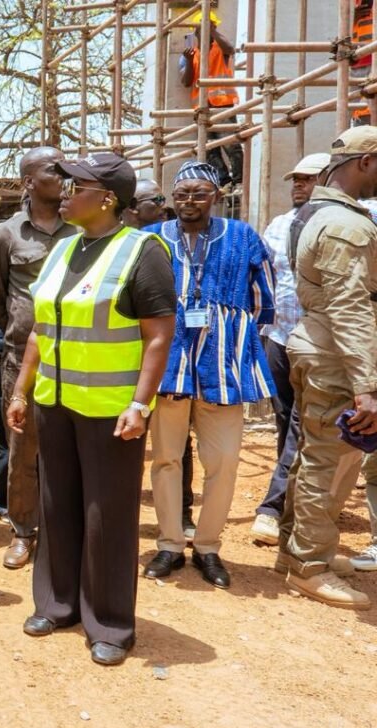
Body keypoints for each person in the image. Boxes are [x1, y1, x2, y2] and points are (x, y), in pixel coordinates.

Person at [9, 153, 175, 667]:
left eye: (75, 186)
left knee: (107, 515)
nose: (64, 192)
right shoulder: (63, 248)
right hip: (54, 404)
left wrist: (140, 403)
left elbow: (158, 335)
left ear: (106, 198)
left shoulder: (141, 252)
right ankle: (57, 604)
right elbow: (40, 328)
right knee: (56, 505)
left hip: (110, 410)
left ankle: (109, 622)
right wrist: (20, 391)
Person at [143, 161, 275, 590]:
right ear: (172, 197)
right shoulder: (153, 237)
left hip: (223, 364)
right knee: (166, 458)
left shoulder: (242, 235)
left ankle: (207, 546)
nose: (189, 201)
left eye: (199, 193)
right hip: (170, 361)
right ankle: (169, 543)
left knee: (224, 461)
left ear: (215, 196)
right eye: (182, 193)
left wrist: (233, 340)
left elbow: (264, 300)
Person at [278, 126, 377, 610]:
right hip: (336, 354)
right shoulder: (345, 225)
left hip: (318, 346)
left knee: (312, 453)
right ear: (365, 163)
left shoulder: (315, 213)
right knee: (329, 459)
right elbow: (350, 307)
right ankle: (310, 566)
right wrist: (368, 385)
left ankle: (296, 548)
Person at [0, 147, 78, 569]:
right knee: (23, 448)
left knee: (69, 449)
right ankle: (22, 531)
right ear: (28, 182)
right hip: (24, 358)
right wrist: (19, 333)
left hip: (79, 357)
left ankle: (63, 532)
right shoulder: (5, 235)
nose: (62, 176)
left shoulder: (81, 229)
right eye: (52, 170)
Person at [250, 153, 330, 545]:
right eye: (295, 179)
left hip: (318, 342)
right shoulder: (279, 225)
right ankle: (291, 497)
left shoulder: (345, 223)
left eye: (307, 178)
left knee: (303, 423)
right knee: (285, 419)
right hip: (279, 336)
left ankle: (274, 505)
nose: (298, 185)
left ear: (328, 179)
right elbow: (265, 279)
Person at [123, 180, 198, 540]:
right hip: (125, 361)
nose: (163, 205)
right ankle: (125, 511)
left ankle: (182, 514)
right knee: (127, 439)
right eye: (154, 200)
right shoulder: (120, 246)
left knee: (177, 444)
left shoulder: (174, 243)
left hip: (170, 358)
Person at [180, 10, 243, 191]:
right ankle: (223, 182)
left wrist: (212, 29)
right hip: (202, 107)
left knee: (231, 144)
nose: (204, 31)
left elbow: (230, 49)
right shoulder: (190, 54)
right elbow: (186, 81)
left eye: (208, 27)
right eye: (201, 28)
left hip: (222, 104)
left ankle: (239, 181)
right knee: (208, 149)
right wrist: (189, 60)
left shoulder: (220, 48)